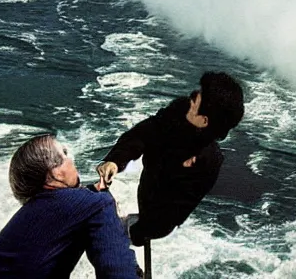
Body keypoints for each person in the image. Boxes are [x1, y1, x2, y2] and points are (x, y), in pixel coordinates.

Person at [94, 72, 245, 246]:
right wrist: (115, 160)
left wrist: (136, 233)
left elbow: (174, 212)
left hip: (157, 223)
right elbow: (143, 134)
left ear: (204, 120)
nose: (192, 96)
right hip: (146, 190)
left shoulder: (207, 163)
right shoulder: (180, 111)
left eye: (198, 98)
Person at [0, 134, 139, 279]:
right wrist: (103, 200)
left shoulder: (30, 212)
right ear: (55, 173)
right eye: (64, 154)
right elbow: (117, 270)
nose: (71, 159)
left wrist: (95, 194)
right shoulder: (97, 203)